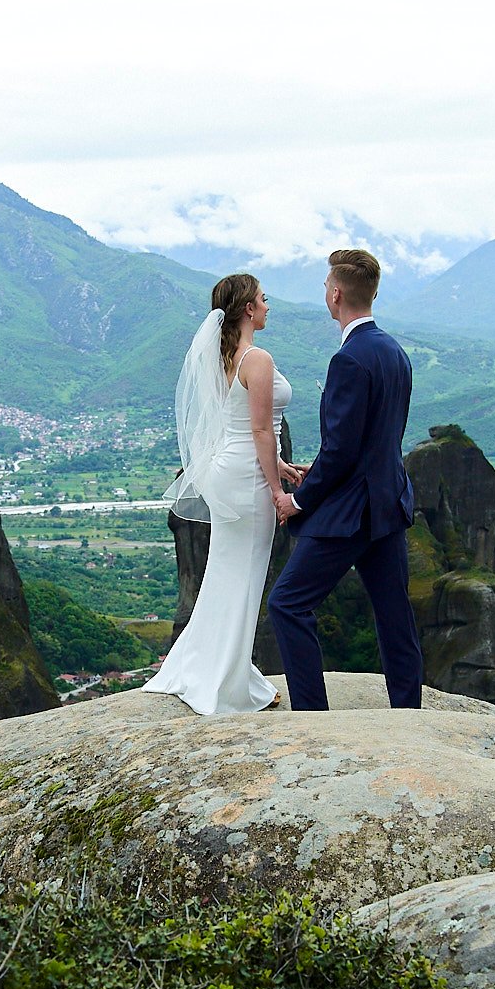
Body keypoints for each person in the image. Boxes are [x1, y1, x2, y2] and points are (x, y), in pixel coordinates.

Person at [267, 248, 423, 710]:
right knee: (395, 617)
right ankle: (407, 713)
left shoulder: (349, 360)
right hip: (388, 503)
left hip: (351, 513)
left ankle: (314, 714)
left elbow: (341, 450)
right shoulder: (395, 351)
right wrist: (328, 465)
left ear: (335, 294)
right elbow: (375, 440)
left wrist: (299, 501)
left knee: (288, 604)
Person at [144, 273, 300, 714]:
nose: (268, 306)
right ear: (248, 309)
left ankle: (219, 668)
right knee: (246, 577)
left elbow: (241, 428)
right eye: (263, 300)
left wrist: (281, 468)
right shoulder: (258, 359)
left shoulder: (225, 356)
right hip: (248, 477)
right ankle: (230, 681)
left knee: (224, 573)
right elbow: (260, 430)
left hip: (229, 469)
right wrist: (275, 487)